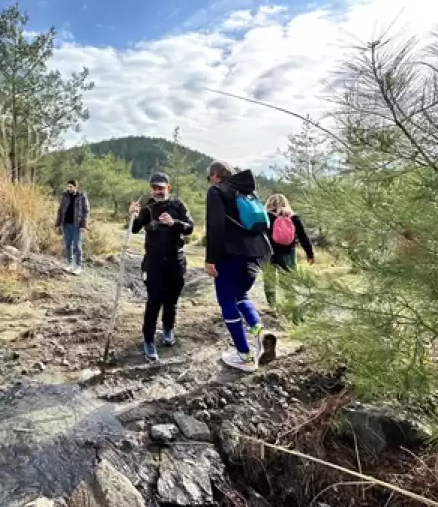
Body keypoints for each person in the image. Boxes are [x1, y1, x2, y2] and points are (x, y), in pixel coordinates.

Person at [204, 160, 277, 373]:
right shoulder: (247, 191)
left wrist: (211, 259)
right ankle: (261, 334)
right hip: (260, 252)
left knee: (227, 300)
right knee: (241, 295)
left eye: (210, 178)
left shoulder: (217, 191)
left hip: (233, 254)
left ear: (215, 175)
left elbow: (215, 227)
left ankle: (244, 356)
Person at [129, 172, 194, 362]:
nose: (157, 191)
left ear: (168, 188)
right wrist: (132, 214)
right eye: (155, 188)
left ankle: (168, 329)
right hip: (154, 262)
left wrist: (174, 223)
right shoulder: (148, 208)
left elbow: (190, 227)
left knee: (171, 300)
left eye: (161, 188)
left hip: (176, 261)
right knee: (154, 300)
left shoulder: (178, 205)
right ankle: (148, 340)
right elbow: (134, 229)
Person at [264, 193, 315, 319]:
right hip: (288, 253)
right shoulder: (294, 218)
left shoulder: (266, 216)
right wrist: (310, 254)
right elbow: (303, 237)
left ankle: (272, 307)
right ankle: (291, 306)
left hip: (268, 252)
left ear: (270, 203)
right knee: (288, 280)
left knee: (269, 280)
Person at [55, 180, 90, 275]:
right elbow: (60, 210)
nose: (68, 188)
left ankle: (78, 266)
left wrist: (84, 225)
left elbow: (86, 211)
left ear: (75, 187)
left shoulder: (82, 196)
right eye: (68, 186)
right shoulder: (65, 196)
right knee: (67, 245)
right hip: (66, 224)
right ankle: (70, 264)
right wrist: (58, 224)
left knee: (77, 246)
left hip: (77, 225)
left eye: (71, 186)